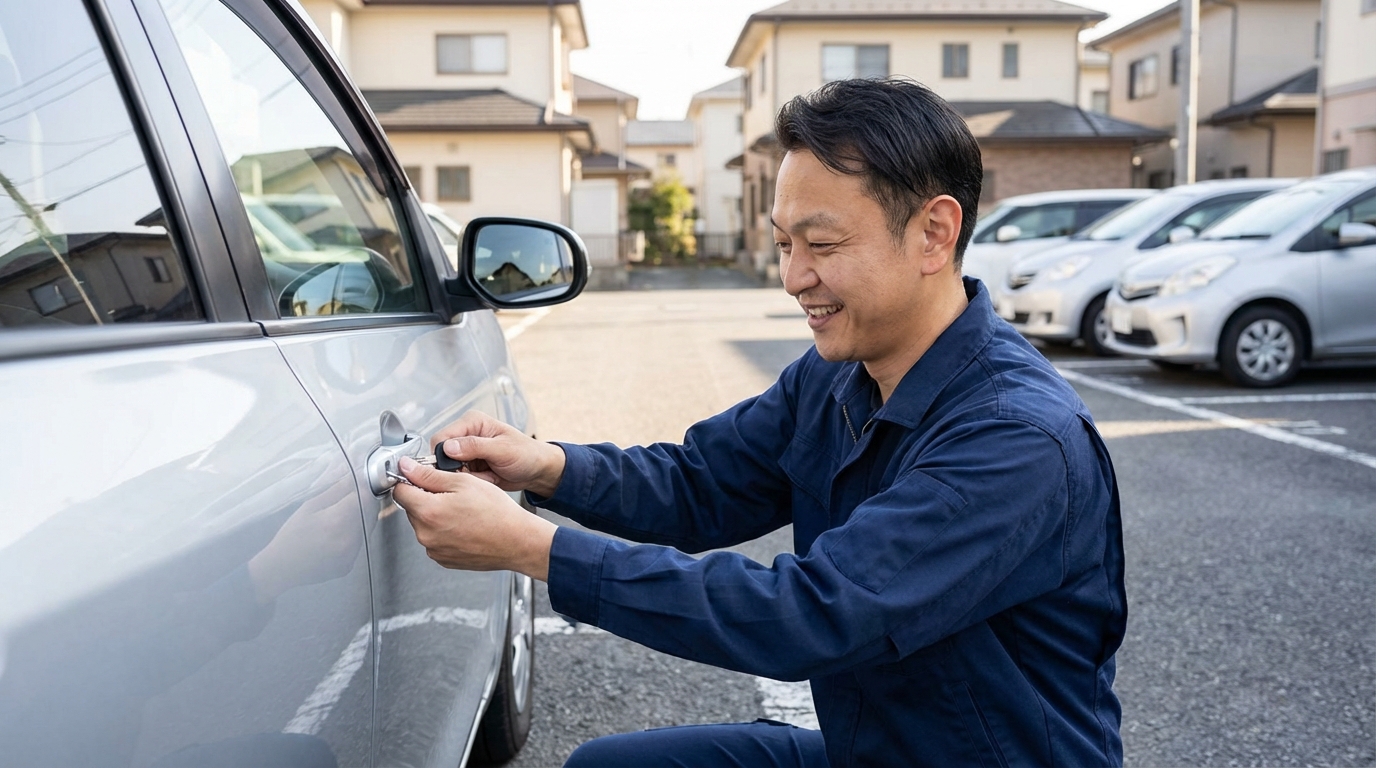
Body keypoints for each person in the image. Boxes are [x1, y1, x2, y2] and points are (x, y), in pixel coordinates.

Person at [393, 78, 1126, 768]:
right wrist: (547, 466)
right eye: (783, 244)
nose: (794, 276)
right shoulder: (840, 371)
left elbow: (810, 615)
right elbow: (702, 482)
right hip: (873, 747)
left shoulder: (1016, 438)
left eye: (824, 244)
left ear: (935, 233)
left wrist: (535, 549)